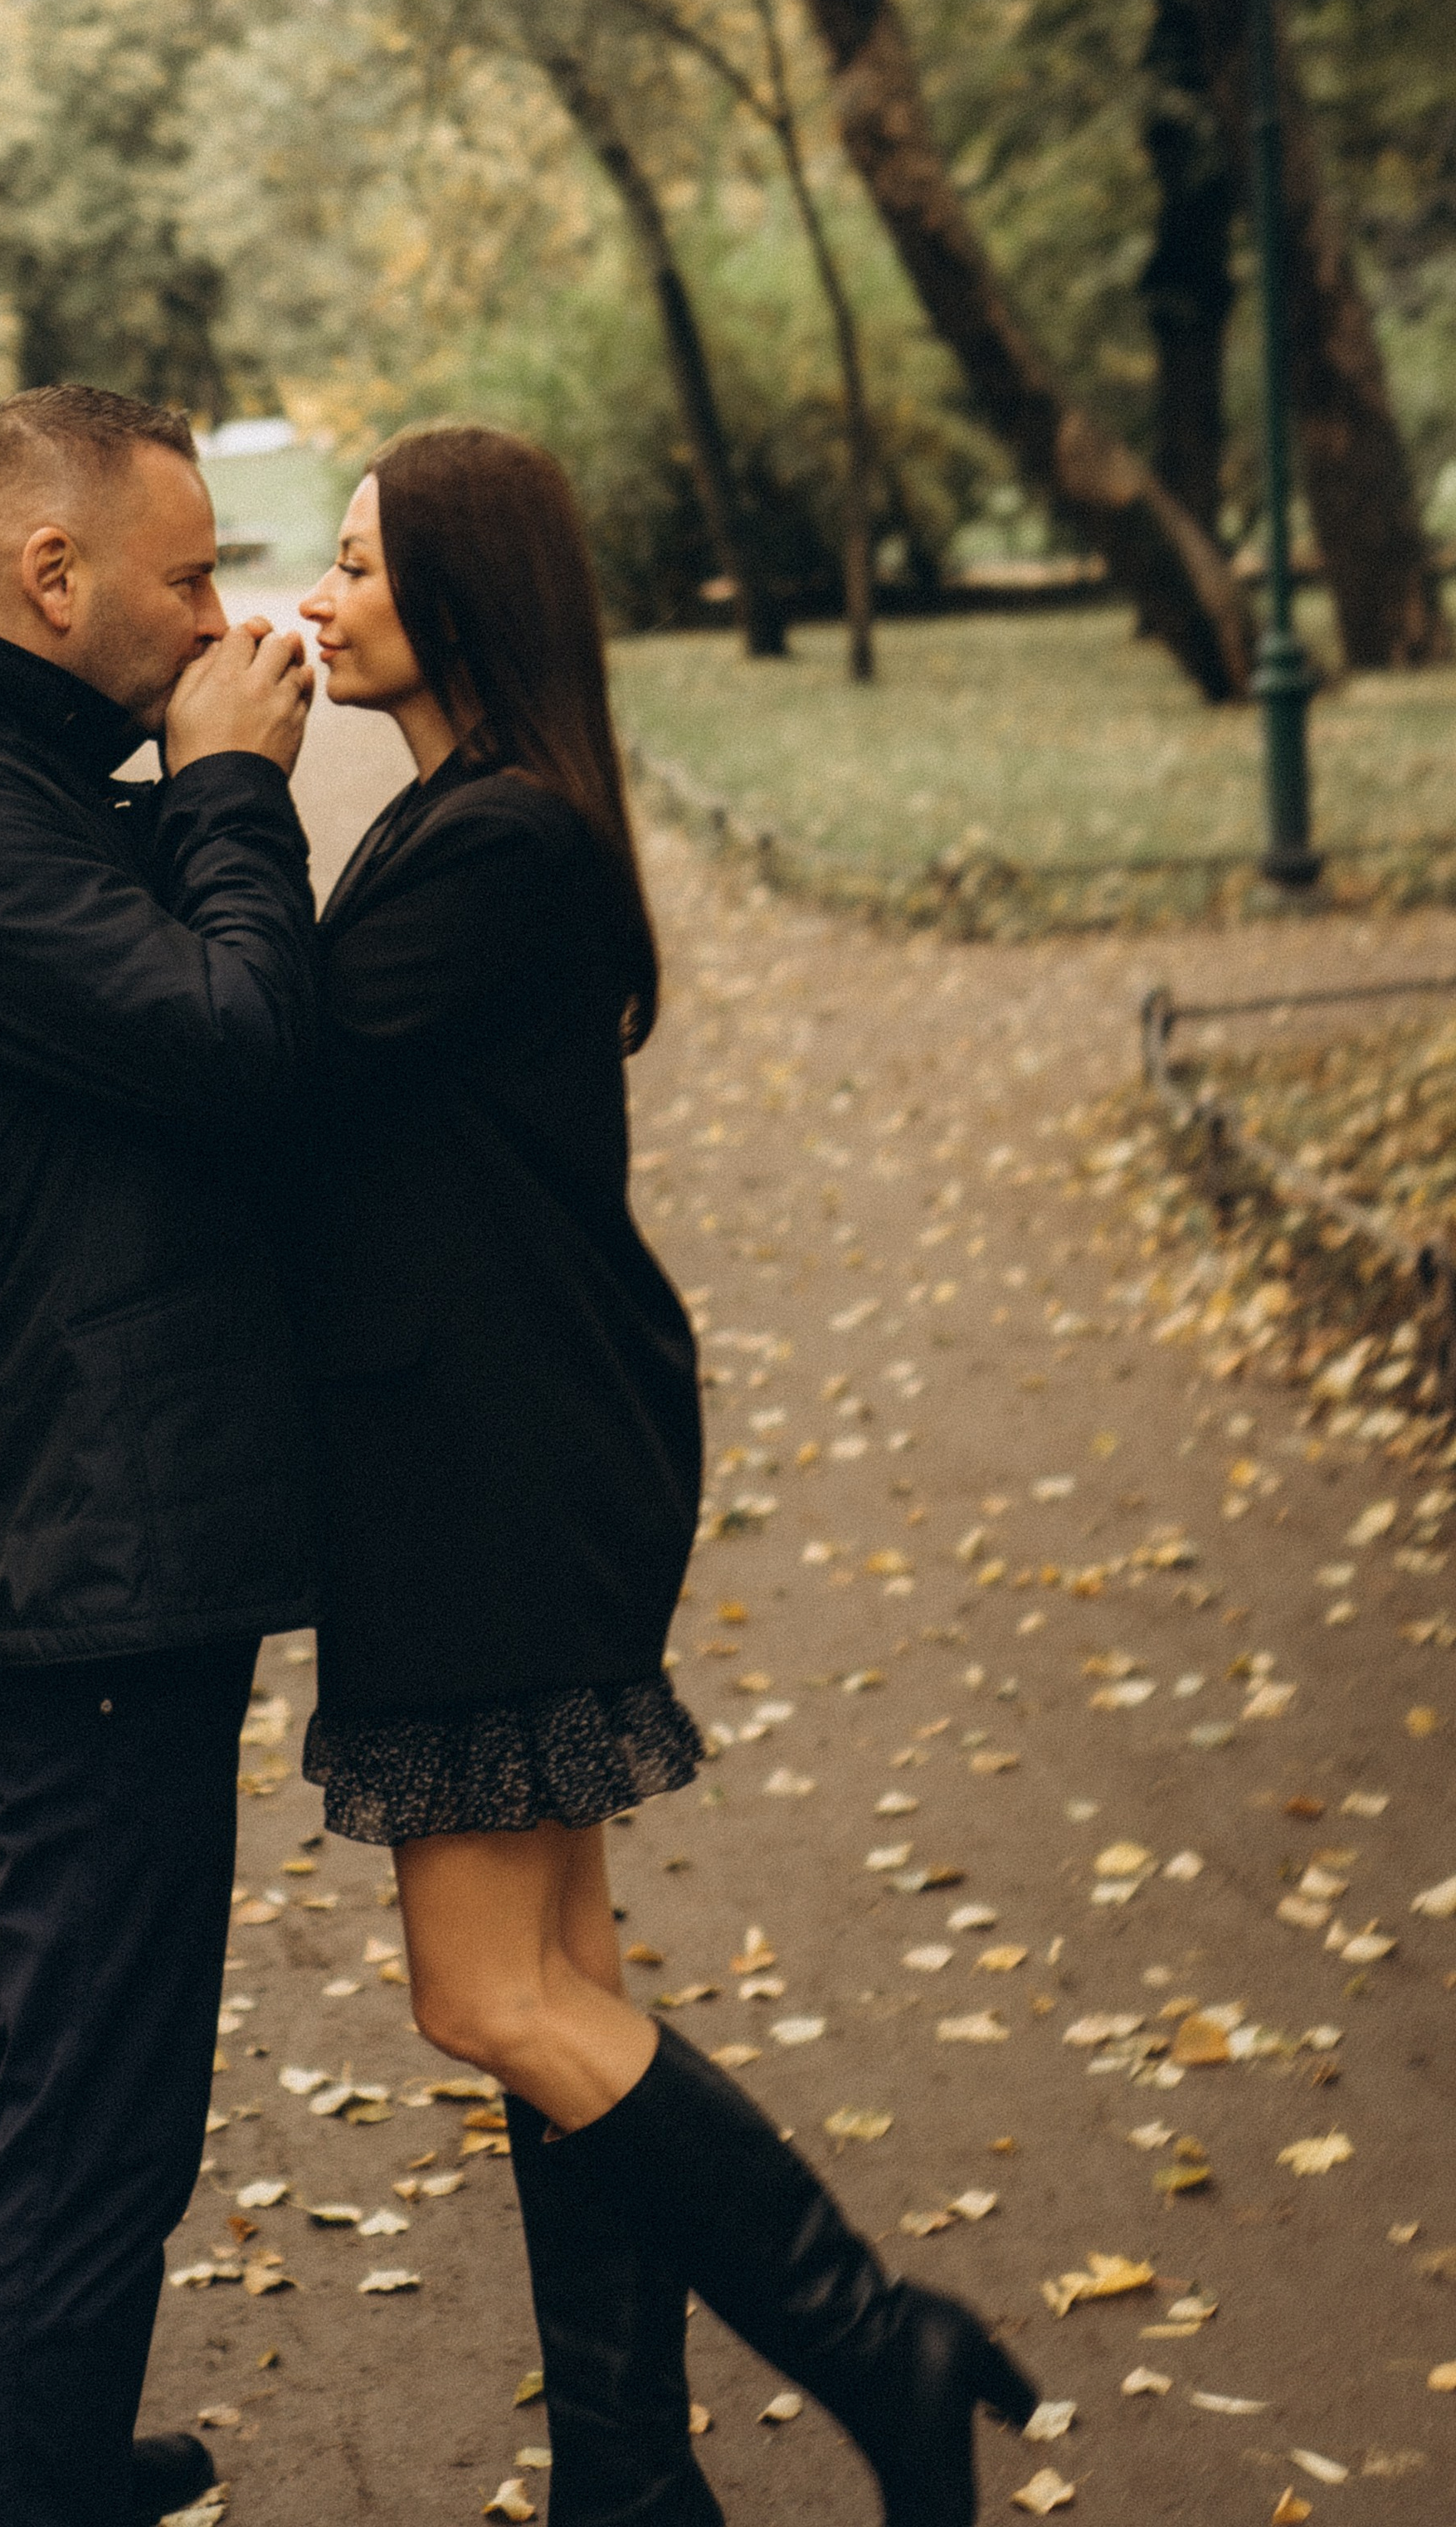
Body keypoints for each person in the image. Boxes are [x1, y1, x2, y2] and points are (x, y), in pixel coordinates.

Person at [295, 426, 1036, 2527]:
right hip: (517, 1441)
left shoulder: (500, 843)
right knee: (567, 1989)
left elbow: (290, 1055)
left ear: (459, 595)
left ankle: (874, 2340)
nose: (319, 598)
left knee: (481, 1997)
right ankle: (628, 2474)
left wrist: (232, 796)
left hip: (491, 1469)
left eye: (355, 566)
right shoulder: (469, 814)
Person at [0, 382, 318, 2527]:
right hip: (73, 1529)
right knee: (98, 2090)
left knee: (78, 2063)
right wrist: (232, 791)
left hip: (73, 1506)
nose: (223, 612)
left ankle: (49, 2457)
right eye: (191, 577)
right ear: (56, 576)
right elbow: (235, 1043)